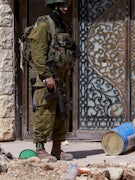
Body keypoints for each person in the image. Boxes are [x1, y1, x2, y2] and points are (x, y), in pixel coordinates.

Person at [29, 0, 75, 161]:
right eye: (62, 5)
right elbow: (38, 54)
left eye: (66, 5)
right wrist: (47, 76)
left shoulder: (62, 25)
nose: (65, 8)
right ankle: (40, 149)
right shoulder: (43, 26)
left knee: (61, 113)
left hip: (61, 77)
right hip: (47, 78)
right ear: (54, 6)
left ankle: (57, 148)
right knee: (45, 112)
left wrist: (68, 68)